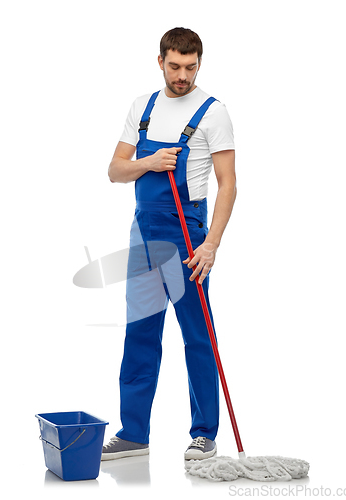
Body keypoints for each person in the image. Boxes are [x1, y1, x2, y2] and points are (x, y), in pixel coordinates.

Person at [102, 27, 236, 461]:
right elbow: (115, 171)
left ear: (200, 62)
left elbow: (228, 184)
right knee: (140, 334)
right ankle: (134, 433)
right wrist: (149, 162)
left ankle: (204, 433)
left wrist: (211, 244)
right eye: (175, 66)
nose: (183, 75)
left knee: (198, 336)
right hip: (144, 236)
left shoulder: (214, 113)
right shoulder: (143, 107)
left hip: (188, 237)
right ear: (160, 60)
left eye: (191, 67)